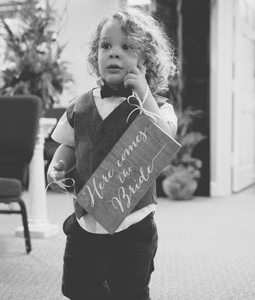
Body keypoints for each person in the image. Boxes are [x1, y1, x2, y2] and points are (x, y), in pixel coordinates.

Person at [47, 6, 178, 300]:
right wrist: (57, 166)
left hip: (133, 224)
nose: (114, 53)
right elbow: (67, 145)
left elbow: (164, 138)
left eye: (127, 47)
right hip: (85, 220)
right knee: (79, 289)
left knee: (128, 291)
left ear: (147, 59)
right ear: (96, 55)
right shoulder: (79, 105)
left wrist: (144, 94)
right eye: (106, 46)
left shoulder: (158, 107)